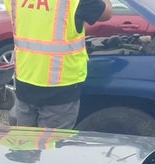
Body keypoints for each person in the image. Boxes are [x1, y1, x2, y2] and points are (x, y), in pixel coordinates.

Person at [6, 0, 112, 129]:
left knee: (25, 139)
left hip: (25, 80)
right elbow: (106, 13)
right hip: (60, 87)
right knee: (51, 141)